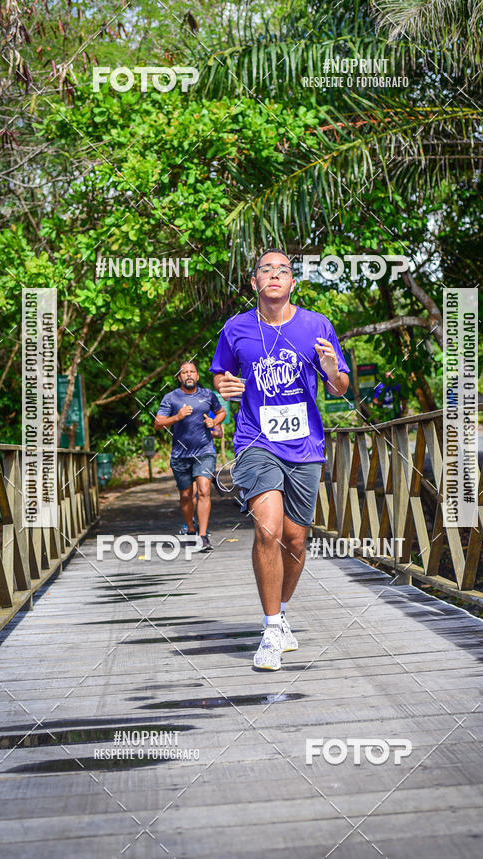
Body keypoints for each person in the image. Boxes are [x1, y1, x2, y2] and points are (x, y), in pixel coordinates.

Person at [210, 249, 350, 669]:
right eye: (266, 270)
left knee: (295, 539)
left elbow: (341, 387)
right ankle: (271, 629)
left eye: (283, 270)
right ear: (254, 282)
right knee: (267, 530)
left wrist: (329, 367)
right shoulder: (236, 329)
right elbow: (220, 373)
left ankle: (282, 611)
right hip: (256, 442)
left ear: (292, 283)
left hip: (305, 446)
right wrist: (225, 386)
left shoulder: (316, 326)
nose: (274, 275)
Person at [155, 361, 226, 551]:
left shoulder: (208, 395)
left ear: (197, 376)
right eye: (184, 372)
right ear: (179, 377)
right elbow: (158, 423)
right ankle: (191, 530)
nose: (188, 375)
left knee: (203, 490)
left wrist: (213, 421)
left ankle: (203, 536)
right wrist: (177, 417)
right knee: (186, 496)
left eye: (192, 372)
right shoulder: (171, 398)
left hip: (204, 451)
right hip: (180, 455)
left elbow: (221, 412)